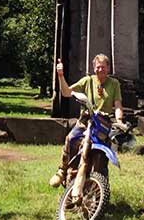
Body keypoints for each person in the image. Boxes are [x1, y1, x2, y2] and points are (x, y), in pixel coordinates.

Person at [48, 53, 123, 188]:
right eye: (98, 67)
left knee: (103, 155)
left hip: (103, 123)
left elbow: (117, 105)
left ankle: (101, 188)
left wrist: (119, 120)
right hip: (86, 120)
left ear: (108, 68)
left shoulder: (114, 84)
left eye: (103, 67)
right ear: (94, 68)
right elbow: (66, 92)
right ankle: (62, 170)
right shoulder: (87, 81)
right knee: (70, 139)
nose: (101, 70)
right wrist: (60, 75)